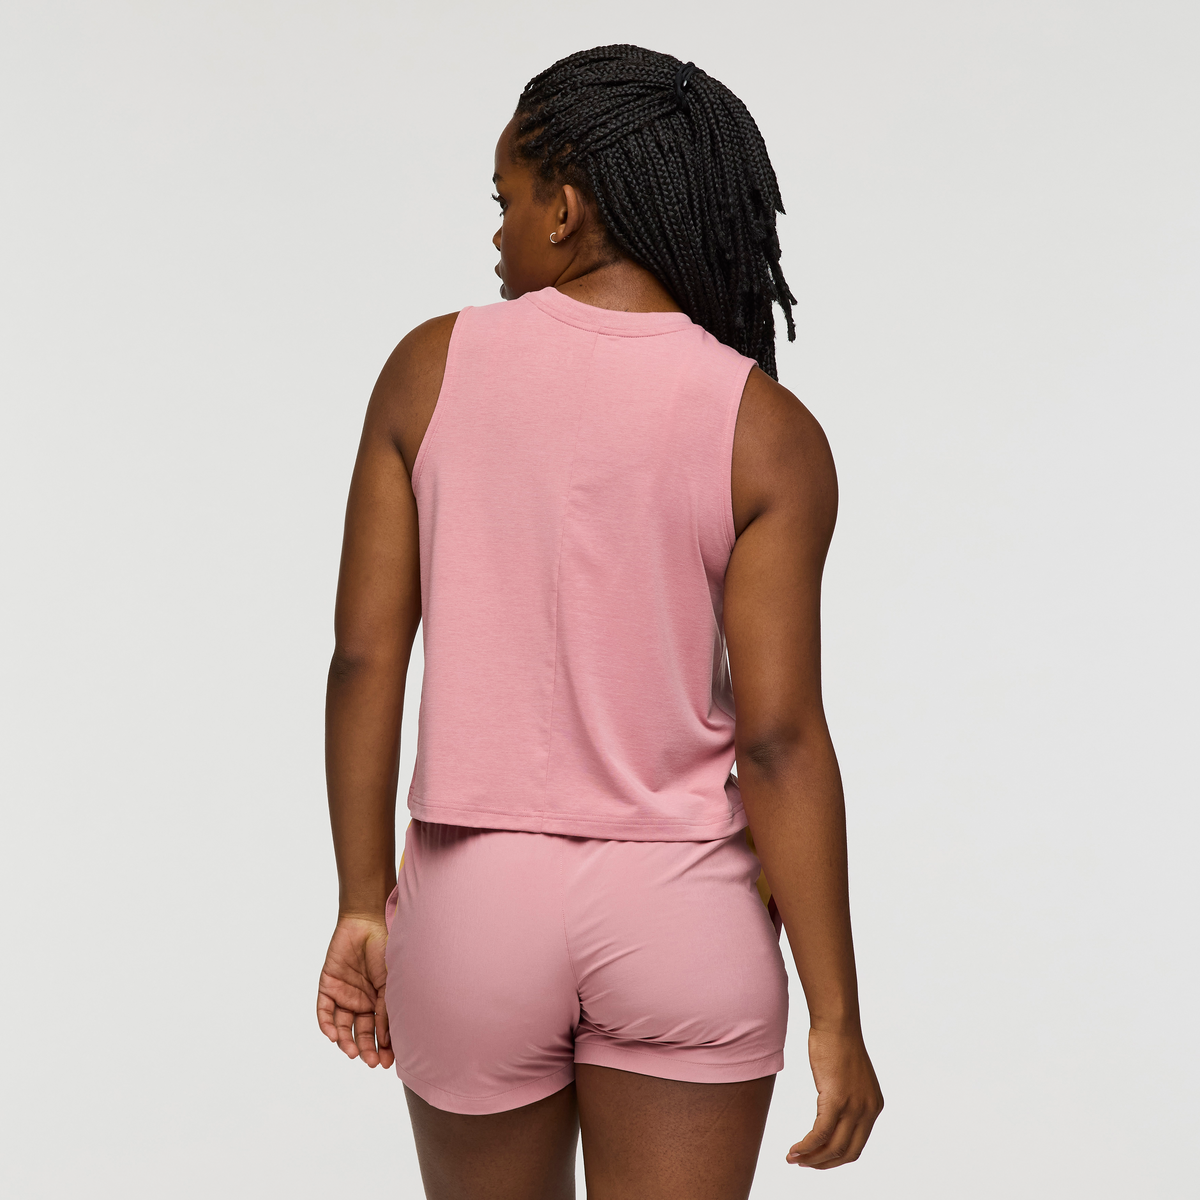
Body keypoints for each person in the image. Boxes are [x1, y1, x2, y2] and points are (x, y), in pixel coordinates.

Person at [316, 44, 883, 1200]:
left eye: (506, 201)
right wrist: (837, 1017)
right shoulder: (767, 429)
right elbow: (781, 739)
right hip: (684, 908)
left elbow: (366, 657)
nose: (497, 237)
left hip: (475, 905)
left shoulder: (428, 370)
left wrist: (361, 901)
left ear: (566, 207)